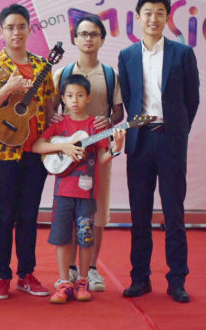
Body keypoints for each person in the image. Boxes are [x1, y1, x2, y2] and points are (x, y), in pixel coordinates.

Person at [118, 0, 200, 303]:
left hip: (170, 141)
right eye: (148, 13)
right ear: (138, 17)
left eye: (160, 13)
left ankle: (177, 280)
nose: (153, 19)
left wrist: (177, 132)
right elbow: (129, 98)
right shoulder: (127, 55)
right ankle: (140, 279)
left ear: (167, 17)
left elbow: (192, 100)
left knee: (173, 214)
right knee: (139, 214)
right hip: (140, 142)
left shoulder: (182, 54)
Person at [0, 4, 54, 300]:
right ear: (1, 31)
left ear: (29, 29)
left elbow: (48, 106)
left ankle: (27, 274)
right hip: (4, 154)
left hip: (36, 153)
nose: (16, 32)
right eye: (10, 27)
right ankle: (1, 276)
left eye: (21, 26)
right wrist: (6, 89)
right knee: (4, 216)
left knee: (29, 216)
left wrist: (56, 131)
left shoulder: (42, 65)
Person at [33, 74, 125, 304]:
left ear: (88, 98)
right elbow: (37, 146)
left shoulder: (95, 126)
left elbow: (102, 158)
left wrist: (116, 147)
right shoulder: (59, 125)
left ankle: (83, 281)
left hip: (87, 195)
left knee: (85, 238)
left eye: (80, 95)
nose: (75, 100)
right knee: (62, 238)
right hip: (62, 193)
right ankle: (64, 282)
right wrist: (65, 146)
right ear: (63, 99)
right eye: (70, 96)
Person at [51, 15, 124, 292]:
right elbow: (52, 108)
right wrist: (55, 122)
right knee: (70, 209)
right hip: (70, 155)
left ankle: (91, 270)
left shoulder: (110, 74)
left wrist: (110, 121)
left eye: (94, 34)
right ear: (75, 39)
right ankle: (70, 269)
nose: (88, 38)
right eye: (83, 34)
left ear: (102, 40)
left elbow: (118, 111)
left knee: (97, 212)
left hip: (99, 153)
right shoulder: (63, 73)